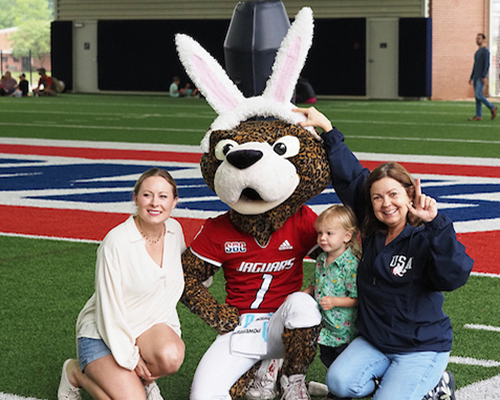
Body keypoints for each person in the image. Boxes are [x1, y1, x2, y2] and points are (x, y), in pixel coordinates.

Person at [294, 107, 473, 400]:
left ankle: (437, 382)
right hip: (376, 342)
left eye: (393, 195)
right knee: (339, 382)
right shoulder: (372, 227)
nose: (385, 203)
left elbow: (454, 276)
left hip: (420, 345)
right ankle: (396, 381)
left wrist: (436, 224)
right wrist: (328, 130)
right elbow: (351, 178)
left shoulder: (426, 235)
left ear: (409, 195)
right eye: (377, 197)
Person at [57, 168, 186, 400]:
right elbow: (109, 311)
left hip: (145, 331)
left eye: (163, 196)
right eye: (147, 195)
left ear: (174, 201)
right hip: (102, 334)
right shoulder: (116, 243)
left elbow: (182, 277)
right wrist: (131, 357)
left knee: (171, 356)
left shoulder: (175, 231)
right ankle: (75, 372)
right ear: (136, 198)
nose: (155, 203)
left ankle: (143, 381)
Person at [303, 204, 360, 400]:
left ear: (347, 236)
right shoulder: (320, 259)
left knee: (342, 361)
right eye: (320, 233)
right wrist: (306, 293)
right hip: (325, 326)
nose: (322, 238)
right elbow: (316, 283)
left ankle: (341, 393)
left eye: (329, 233)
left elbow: (357, 298)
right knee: (326, 356)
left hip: (344, 330)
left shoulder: (350, 264)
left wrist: (336, 301)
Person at [468, 33, 497, 121]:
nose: (477, 40)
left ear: (483, 40)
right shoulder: (477, 52)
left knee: (478, 94)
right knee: (477, 97)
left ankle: (492, 107)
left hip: (481, 77)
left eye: (479, 38)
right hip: (476, 76)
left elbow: (487, 64)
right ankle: (478, 115)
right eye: (476, 38)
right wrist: (471, 76)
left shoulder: (485, 51)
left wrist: (484, 75)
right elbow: (475, 65)